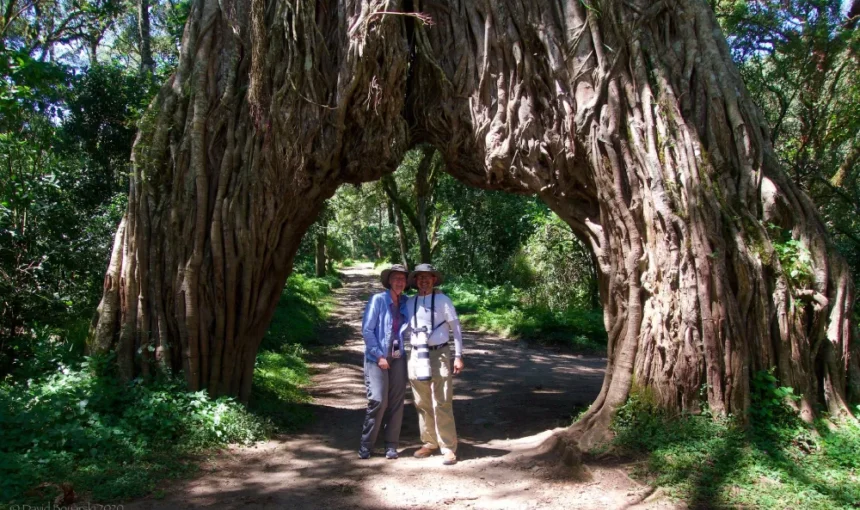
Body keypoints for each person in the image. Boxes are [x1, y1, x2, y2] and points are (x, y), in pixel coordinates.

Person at [404, 263, 465, 465]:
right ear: (415, 281)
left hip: (439, 353)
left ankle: (448, 447)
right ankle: (429, 442)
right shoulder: (409, 302)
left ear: (434, 280)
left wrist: (458, 355)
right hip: (415, 354)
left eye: (428, 277)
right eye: (420, 277)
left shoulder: (443, 300)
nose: (424, 281)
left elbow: (455, 328)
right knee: (421, 401)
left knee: (443, 400)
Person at [359, 264, 410, 460]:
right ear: (389, 280)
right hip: (376, 357)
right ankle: (366, 445)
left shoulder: (406, 301)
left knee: (397, 402)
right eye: (396, 278)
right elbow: (367, 330)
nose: (400, 282)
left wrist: (434, 293)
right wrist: (379, 355)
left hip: (398, 357)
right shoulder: (378, 300)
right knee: (379, 400)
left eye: (403, 279)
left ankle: (391, 445)